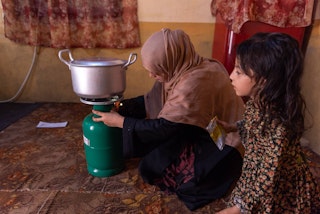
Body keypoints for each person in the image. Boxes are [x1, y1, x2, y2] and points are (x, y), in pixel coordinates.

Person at [92, 28, 245, 210]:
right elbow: (150, 101)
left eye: (155, 72)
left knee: (190, 185)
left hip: (225, 140)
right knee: (151, 165)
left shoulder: (196, 81)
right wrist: (120, 106)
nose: (152, 76)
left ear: (170, 61)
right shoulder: (182, 67)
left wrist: (120, 122)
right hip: (202, 129)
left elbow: (164, 127)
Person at [216, 32, 320, 213]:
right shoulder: (258, 101)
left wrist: (238, 209)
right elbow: (253, 124)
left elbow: (268, 177)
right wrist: (233, 127)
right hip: (255, 169)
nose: (231, 76)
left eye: (239, 72)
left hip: (277, 184)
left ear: (264, 81)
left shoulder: (280, 128)